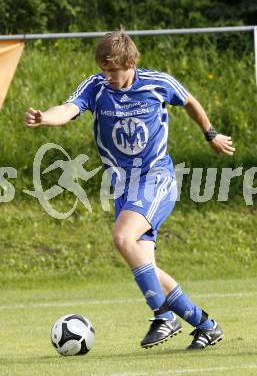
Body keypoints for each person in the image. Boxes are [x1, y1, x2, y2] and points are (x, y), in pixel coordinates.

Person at [24, 30, 235, 350]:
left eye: (113, 70)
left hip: (156, 178)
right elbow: (68, 109)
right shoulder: (96, 87)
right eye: (104, 69)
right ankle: (206, 325)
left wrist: (211, 134)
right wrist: (44, 119)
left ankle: (164, 317)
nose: (108, 76)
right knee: (144, 263)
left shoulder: (156, 83)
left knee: (123, 238)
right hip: (124, 187)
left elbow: (189, 100)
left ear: (130, 63)